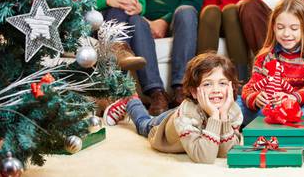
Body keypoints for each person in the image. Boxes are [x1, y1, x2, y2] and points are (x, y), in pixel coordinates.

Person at [102, 53, 243, 164]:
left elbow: (225, 153)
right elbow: (205, 157)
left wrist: (222, 116)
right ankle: (130, 100)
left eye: (222, 83)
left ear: (231, 87)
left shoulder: (232, 110)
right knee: (144, 124)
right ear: (194, 91)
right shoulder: (187, 115)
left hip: (183, 113)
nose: (216, 90)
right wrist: (214, 115)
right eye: (207, 84)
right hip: (165, 126)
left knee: (174, 113)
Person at [128, 0, 205, 115]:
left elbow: (192, 2)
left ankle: (181, 88)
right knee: (134, 19)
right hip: (145, 26)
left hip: (178, 24)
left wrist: (163, 21)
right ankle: (156, 93)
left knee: (186, 10)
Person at [239, 0, 304, 126]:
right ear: (274, 28)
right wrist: (255, 98)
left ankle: (271, 120)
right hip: (268, 107)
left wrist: (293, 98)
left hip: (295, 107)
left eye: (294, 28)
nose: (286, 34)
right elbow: (250, 87)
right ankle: (276, 119)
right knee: (237, 103)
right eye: (280, 27)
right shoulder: (265, 57)